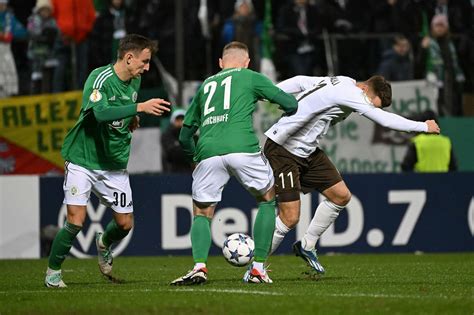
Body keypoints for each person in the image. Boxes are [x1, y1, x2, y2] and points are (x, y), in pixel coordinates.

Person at [264, 75, 440, 274]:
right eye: (373, 105)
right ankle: (257, 266)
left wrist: (274, 92)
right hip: (283, 148)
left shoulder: (343, 81)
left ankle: (307, 245)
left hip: (307, 150)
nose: (372, 109)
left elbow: (301, 81)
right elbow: (385, 121)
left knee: (341, 196)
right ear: (366, 90)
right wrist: (423, 126)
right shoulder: (352, 94)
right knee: (290, 216)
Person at [44, 34, 171, 288]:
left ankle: (103, 242)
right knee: (75, 221)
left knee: (124, 224)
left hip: (114, 165)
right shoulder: (99, 78)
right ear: (128, 57)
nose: (146, 68)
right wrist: (139, 109)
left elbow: (123, 109)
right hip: (83, 160)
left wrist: (131, 118)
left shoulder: (134, 82)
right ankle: (53, 272)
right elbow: (101, 113)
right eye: (144, 62)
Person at [170, 41, 297, 285]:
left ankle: (199, 267)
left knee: (202, 212)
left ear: (220, 63)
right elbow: (291, 104)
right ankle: (258, 268)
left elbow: (184, 135)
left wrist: (194, 157)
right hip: (242, 147)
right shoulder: (250, 76)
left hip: (208, 151)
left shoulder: (206, 85)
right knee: (267, 199)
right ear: (247, 62)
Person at [27, 0, 58, 94]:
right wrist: (42, 36)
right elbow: (31, 32)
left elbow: (57, 33)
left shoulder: (52, 21)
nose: (45, 12)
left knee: (48, 77)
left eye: (47, 10)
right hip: (36, 54)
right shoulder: (33, 20)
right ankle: (35, 94)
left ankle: (47, 95)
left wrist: (51, 36)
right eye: (43, 10)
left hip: (49, 54)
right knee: (36, 76)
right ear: (39, 10)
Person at [161, 109, 193, 173]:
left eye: (182, 119)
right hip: (171, 171)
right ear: (173, 121)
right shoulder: (166, 135)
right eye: (177, 120)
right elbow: (170, 152)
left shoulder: (191, 135)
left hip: (189, 171)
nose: (180, 122)